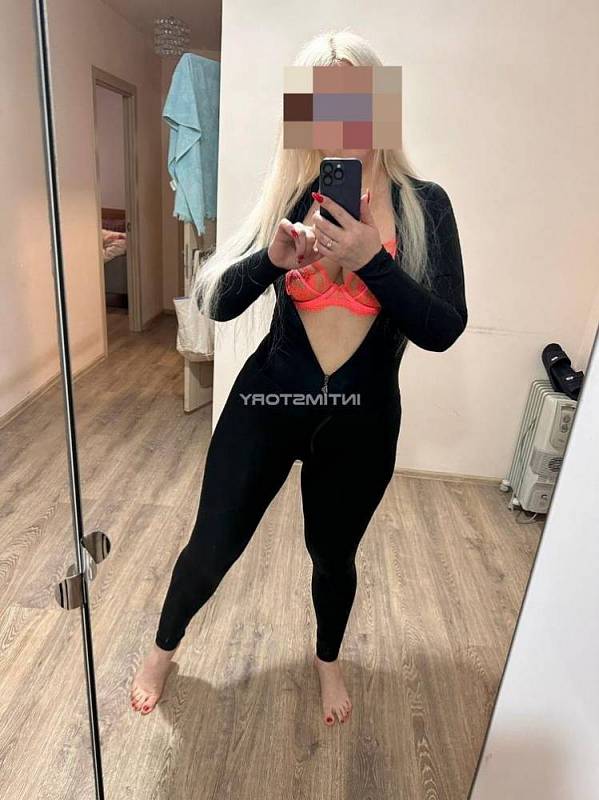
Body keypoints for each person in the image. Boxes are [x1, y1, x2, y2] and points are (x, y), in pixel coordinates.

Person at [130, 30, 467, 727]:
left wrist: (373, 260)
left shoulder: (424, 205)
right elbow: (218, 305)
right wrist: (272, 261)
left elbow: (443, 327)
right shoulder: (292, 195)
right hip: (267, 403)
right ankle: (162, 650)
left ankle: (327, 659)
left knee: (333, 557)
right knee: (212, 546)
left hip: (361, 420)